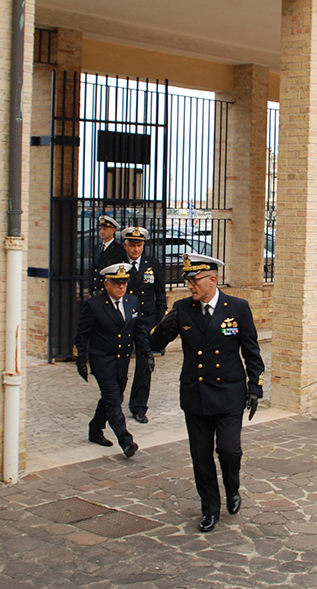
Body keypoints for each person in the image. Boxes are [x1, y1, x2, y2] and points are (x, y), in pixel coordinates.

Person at [150, 254, 263, 533]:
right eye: (187, 280)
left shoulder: (237, 307)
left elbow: (251, 350)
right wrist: (163, 328)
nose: (189, 285)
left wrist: (255, 387)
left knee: (228, 450)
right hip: (196, 394)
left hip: (228, 392)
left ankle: (232, 487)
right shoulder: (183, 309)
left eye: (194, 280)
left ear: (212, 280)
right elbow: (155, 342)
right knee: (201, 456)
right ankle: (210, 508)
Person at [74, 262, 147, 459]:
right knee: (113, 399)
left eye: (124, 283)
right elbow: (82, 334)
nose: (121, 287)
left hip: (122, 360)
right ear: (106, 284)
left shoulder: (132, 302)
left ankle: (95, 428)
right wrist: (80, 358)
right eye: (116, 284)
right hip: (102, 359)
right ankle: (126, 441)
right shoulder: (94, 305)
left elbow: (138, 330)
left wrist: (146, 353)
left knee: (112, 397)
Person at [121, 226, 166, 424]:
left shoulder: (152, 264)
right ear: (126, 245)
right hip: (124, 321)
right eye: (132, 245)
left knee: (144, 363)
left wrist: (157, 320)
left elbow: (160, 294)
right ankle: (114, 400)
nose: (136, 249)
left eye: (139, 245)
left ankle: (139, 406)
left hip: (146, 321)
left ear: (143, 246)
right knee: (120, 362)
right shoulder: (119, 265)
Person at [91, 215, 125, 294]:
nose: (102, 232)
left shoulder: (119, 249)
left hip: (109, 289)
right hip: (97, 288)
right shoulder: (97, 247)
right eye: (100, 229)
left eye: (105, 229)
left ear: (113, 230)